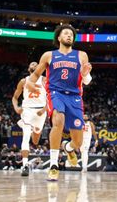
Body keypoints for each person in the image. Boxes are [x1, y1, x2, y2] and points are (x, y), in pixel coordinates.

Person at [27, 24, 93, 181]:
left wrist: (85, 75)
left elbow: (87, 81)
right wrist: (30, 84)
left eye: (71, 34)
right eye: (65, 33)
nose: (69, 35)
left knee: (78, 142)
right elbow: (35, 75)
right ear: (59, 37)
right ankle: (54, 165)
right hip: (56, 93)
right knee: (58, 121)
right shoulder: (49, 55)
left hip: (75, 96)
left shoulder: (82, 55)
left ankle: (68, 148)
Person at [12, 61, 47, 177]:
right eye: (31, 64)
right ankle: (25, 165)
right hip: (27, 109)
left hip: (40, 111)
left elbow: (52, 97)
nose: (34, 64)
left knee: (35, 140)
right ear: (28, 68)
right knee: (26, 136)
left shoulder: (44, 80)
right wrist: (16, 107)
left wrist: (45, 109)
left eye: (36, 64)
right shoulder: (23, 81)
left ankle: (29, 127)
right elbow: (15, 97)